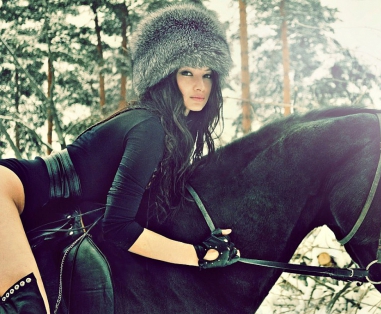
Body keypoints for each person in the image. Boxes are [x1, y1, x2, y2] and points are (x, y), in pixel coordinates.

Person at [0, 4, 239, 313]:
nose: (200, 86)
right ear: (165, 76)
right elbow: (119, 227)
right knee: (26, 307)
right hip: (8, 193)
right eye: (187, 72)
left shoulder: (171, 132)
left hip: (46, 211)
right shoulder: (149, 127)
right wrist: (196, 255)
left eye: (207, 75)